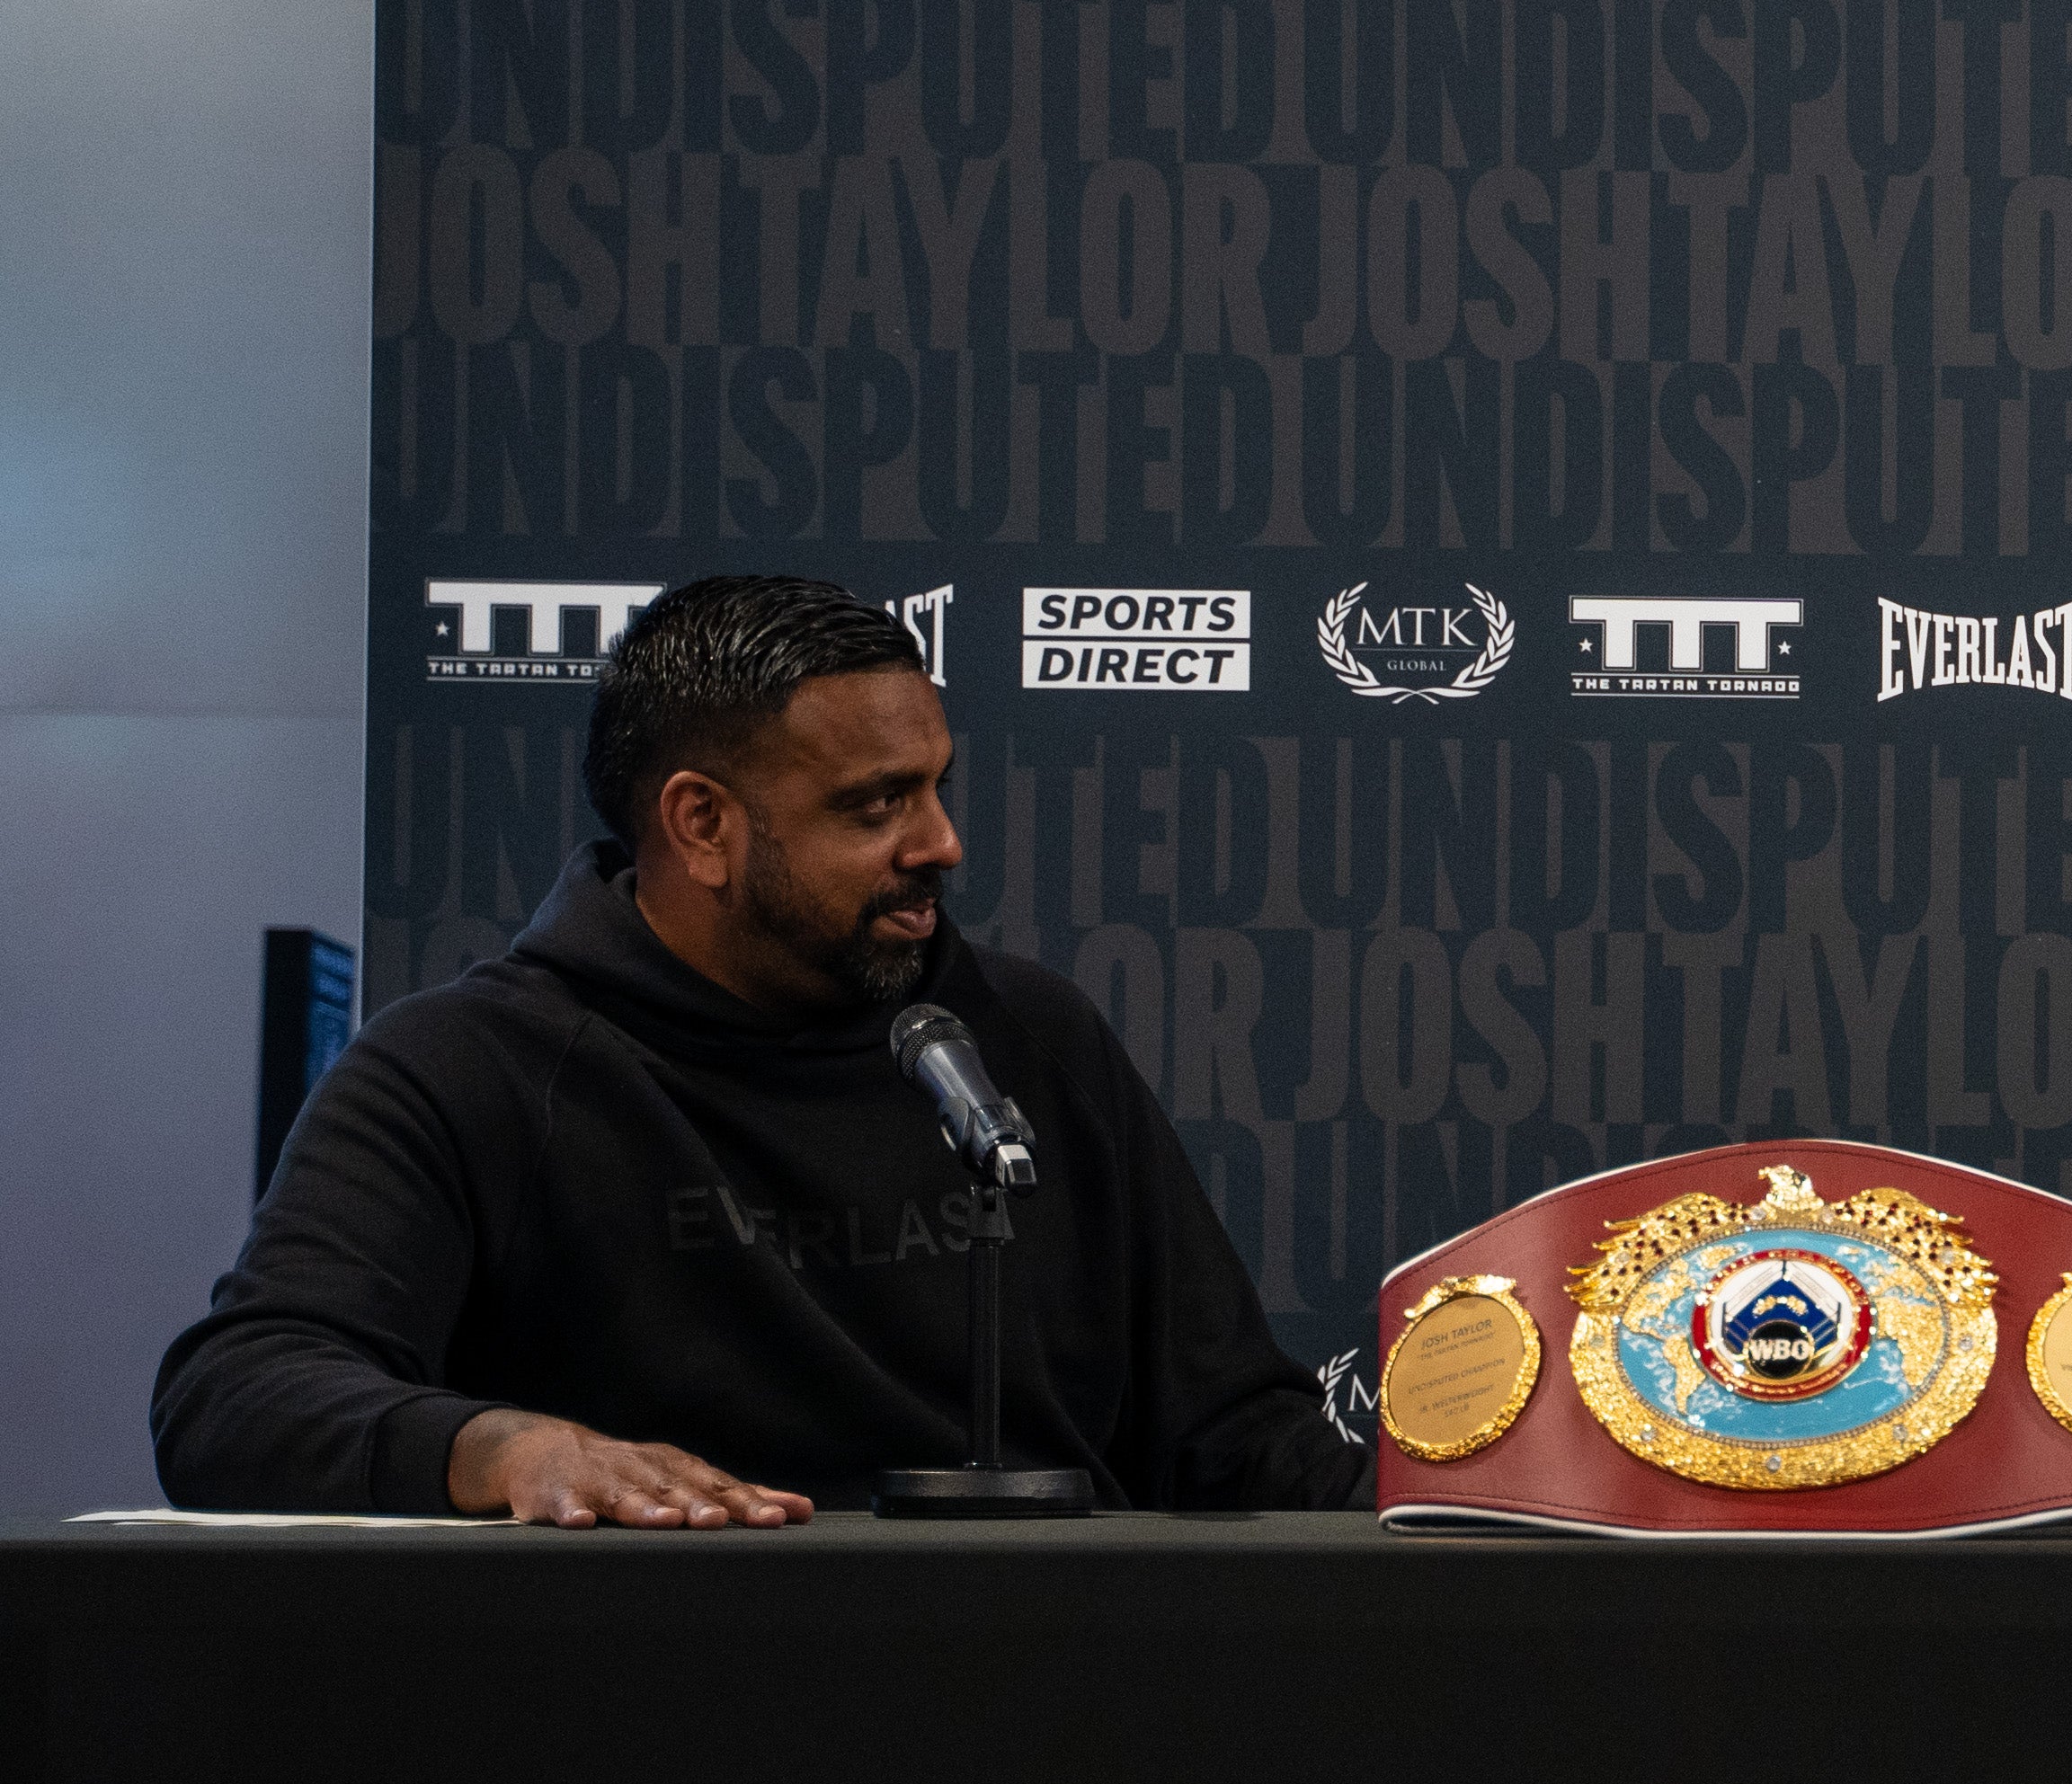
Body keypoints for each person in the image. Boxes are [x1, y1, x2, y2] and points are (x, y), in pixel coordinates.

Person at [153, 572, 1365, 1523]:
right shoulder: (470, 1067)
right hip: (658, 1712)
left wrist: (1483, 1504)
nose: (940, 842)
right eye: (874, 805)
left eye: (937, 789)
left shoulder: (1032, 1039)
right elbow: (234, 1395)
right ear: (701, 825)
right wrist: (504, 1448)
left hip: (1048, 1702)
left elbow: (1233, 1430)